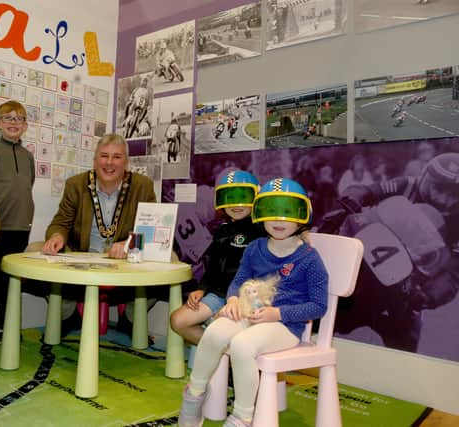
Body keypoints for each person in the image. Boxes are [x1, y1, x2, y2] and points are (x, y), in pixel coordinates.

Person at [177, 178, 328, 427]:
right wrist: (234, 298)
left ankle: (242, 417)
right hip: (250, 315)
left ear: (302, 215)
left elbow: (318, 306)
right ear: (259, 214)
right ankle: (194, 396)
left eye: (287, 213)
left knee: (242, 345)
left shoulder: (310, 259)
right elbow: (238, 280)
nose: (279, 221)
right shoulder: (255, 247)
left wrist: (277, 313)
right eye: (271, 212)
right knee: (214, 331)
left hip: (286, 326)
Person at [318, 151, 459, 353]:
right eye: (438, 188)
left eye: (453, 194)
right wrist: (353, 198)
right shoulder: (407, 185)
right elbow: (369, 190)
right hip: (372, 250)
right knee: (325, 292)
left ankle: (399, 373)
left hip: (411, 280)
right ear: (427, 177)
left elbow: (453, 274)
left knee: (407, 337)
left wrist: (428, 296)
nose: (442, 198)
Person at [42, 133, 157, 336]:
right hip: (81, 257)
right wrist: (57, 236)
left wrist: (129, 243)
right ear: (95, 160)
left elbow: (152, 230)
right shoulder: (76, 185)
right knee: (36, 251)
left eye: (117, 157)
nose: (109, 163)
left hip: (125, 263)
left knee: (169, 258)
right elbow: (60, 222)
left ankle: (130, 318)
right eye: (104, 156)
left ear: (126, 162)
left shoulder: (143, 186)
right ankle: (68, 315)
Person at [169, 171, 265, 357]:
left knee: (220, 326)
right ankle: (230, 355)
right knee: (178, 321)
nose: (237, 204)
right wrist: (202, 289)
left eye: (243, 197)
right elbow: (213, 265)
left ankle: (237, 355)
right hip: (217, 294)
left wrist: (235, 301)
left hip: (244, 300)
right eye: (230, 197)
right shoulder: (222, 231)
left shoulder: (261, 232)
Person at [0, 100, 35, 344]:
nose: (14, 123)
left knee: (12, 278)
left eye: (19, 119)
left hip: (21, 226)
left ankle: (7, 321)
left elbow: (28, 184)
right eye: (8, 118)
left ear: (25, 126)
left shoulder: (28, 156)